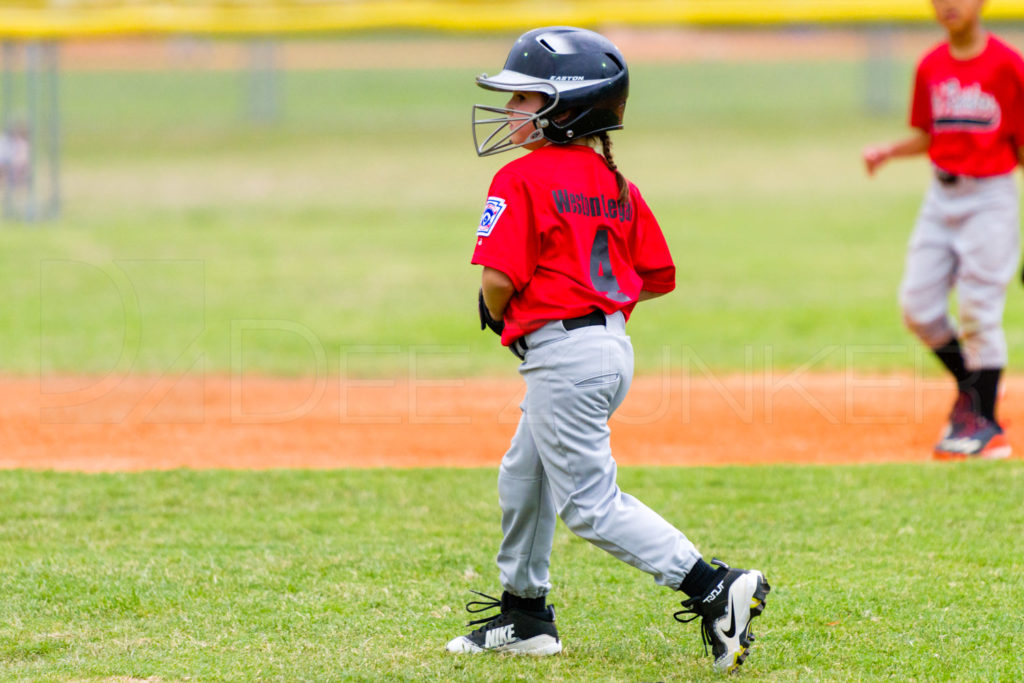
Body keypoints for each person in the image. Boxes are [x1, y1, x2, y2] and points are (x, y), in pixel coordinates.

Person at [446, 26, 770, 674]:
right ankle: (526, 613)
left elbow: (497, 280)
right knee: (524, 473)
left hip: (565, 355)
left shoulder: (520, 178)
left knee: (591, 506)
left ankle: (712, 586)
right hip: (606, 347)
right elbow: (654, 273)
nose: (511, 110)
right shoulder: (611, 179)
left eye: (525, 97)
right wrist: (595, 309)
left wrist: (511, 309)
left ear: (565, 108)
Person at [862, 0, 1024, 459]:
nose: (949, 3)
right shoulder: (931, 64)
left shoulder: (1009, 66)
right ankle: (974, 394)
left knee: (978, 309)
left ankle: (986, 424)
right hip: (941, 196)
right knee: (918, 307)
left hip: (991, 195)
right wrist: (889, 151)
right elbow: (933, 133)